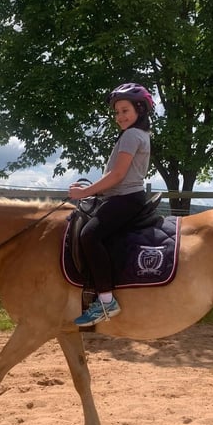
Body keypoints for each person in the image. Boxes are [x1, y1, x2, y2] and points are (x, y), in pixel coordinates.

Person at [68, 82, 154, 326]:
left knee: (89, 235)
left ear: (140, 109)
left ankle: (106, 301)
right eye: (117, 112)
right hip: (126, 196)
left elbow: (117, 175)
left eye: (125, 110)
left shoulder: (130, 136)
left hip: (125, 198)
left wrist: (85, 192)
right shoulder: (140, 135)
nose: (120, 116)